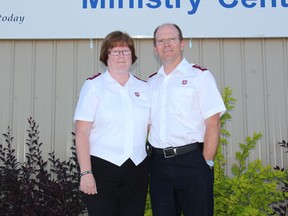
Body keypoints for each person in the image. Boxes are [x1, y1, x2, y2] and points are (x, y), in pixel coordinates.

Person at [147, 23, 226, 216]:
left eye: (172, 39)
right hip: (158, 165)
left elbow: (213, 123)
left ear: (182, 44)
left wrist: (206, 163)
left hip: (192, 162)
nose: (166, 44)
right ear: (155, 48)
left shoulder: (200, 76)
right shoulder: (150, 83)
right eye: (161, 40)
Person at [74, 31, 150, 216]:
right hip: (102, 168)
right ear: (105, 56)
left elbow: (149, 127)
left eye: (125, 51)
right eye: (115, 51)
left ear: (132, 56)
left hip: (137, 168)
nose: (121, 56)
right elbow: (82, 132)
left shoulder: (144, 87)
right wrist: (86, 173)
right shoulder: (93, 86)